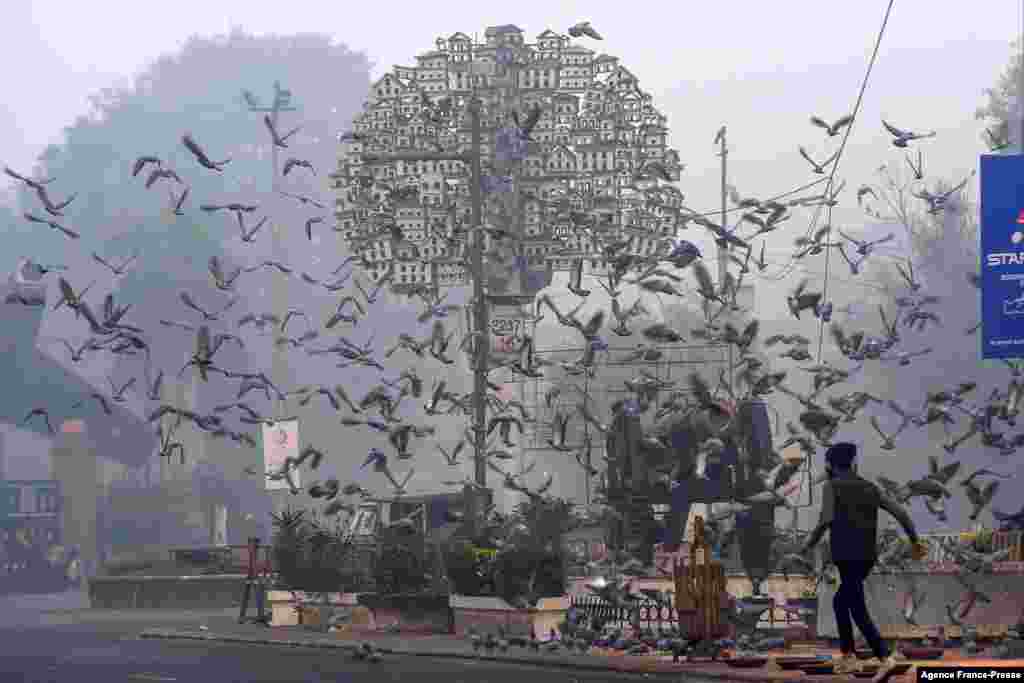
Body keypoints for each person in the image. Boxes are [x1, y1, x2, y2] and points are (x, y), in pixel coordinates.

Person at [800, 442, 928, 681]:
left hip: (845, 556)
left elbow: (825, 520)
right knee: (844, 602)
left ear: (829, 465)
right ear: (853, 463)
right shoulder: (871, 487)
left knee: (853, 606)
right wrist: (915, 542)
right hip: (866, 557)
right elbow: (901, 513)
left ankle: (881, 657)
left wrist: (807, 546)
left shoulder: (831, 486)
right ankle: (850, 656)